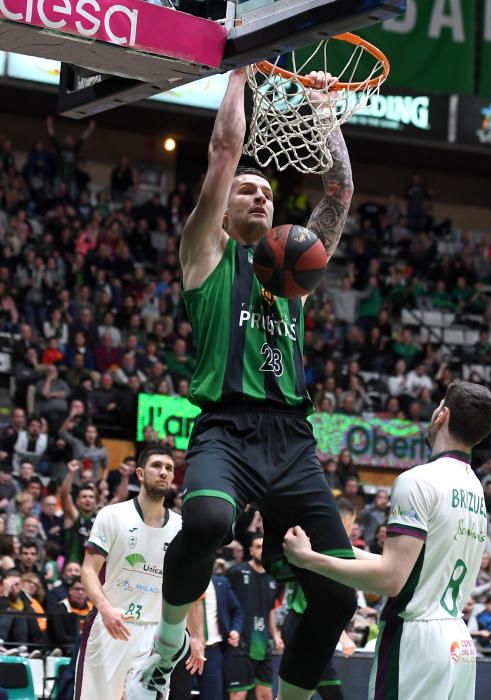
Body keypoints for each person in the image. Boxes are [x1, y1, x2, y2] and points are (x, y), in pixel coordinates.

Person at [127, 67, 357, 700]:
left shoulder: (296, 270)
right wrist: (239, 72)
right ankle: (170, 642)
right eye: (246, 191)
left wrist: (323, 110)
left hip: (292, 440)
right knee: (204, 523)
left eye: (268, 193)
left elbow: (339, 189)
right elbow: (226, 149)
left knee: (339, 596)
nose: (260, 197)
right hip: (225, 430)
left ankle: (290, 696)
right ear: (223, 206)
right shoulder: (206, 252)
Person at [283, 382, 491, 700]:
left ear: (442, 414)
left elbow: (391, 579)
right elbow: (415, 569)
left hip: (416, 640)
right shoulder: (475, 489)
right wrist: (330, 551)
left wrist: (307, 560)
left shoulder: (418, 480)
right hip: (458, 643)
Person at [78, 446, 204, 700]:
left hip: (156, 636)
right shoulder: (113, 515)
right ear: (140, 472)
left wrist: (197, 636)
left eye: (169, 468)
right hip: (111, 625)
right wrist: (105, 608)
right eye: (157, 466)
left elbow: (190, 587)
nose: (164, 472)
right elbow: (89, 570)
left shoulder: (182, 527)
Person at [282, 498, 358, 700]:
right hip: (304, 622)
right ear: (345, 520)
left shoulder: (321, 544)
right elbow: (324, 600)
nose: (353, 528)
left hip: (306, 623)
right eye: (352, 523)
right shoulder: (322, 547)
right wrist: (343, 637)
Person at [226, 535, 282, 700]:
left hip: (263, 647)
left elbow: (270, 610)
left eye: (264, 547)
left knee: (266, 695)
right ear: (250, 550)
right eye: (258, 546)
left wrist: (276, 636)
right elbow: (226, 606)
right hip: (240, 644)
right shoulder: (236, 573)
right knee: (238, 695)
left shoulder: (273, 579)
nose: (261, 550)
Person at [196, 567, 243, 700]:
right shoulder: (183, 581)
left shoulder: (221, 583)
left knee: (213, 696)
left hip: (212, 651)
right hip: (186, 651)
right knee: (179, 694)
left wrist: (235, 630)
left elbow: (237, 610)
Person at [60, 460, 97, 563]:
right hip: (73, 567)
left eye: (91, 497)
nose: (88, 499)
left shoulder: (100, 517)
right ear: (77, 501)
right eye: (84, 497)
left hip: (92, 568)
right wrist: (71, 472)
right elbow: (64, 495)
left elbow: (120, 498)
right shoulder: (73, 516)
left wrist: (125, 477)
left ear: (95, 501)